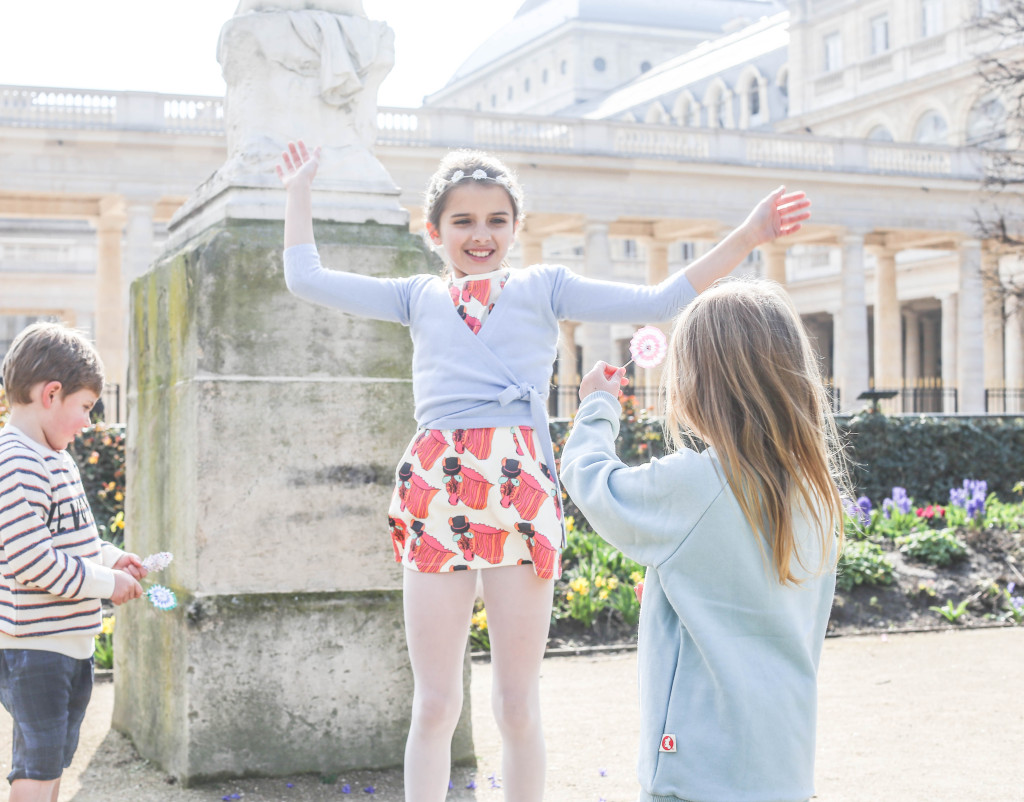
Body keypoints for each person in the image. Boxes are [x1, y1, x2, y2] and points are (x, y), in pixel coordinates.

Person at [276, 139, 811, 801]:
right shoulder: (417, 295)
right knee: (435, 704)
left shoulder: (544, 286)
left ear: (516, 227)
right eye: (464, 221)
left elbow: (660, 298)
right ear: (433, 229)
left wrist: (751, 233)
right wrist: (298, 190)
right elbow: (307, 279)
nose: (480, 234)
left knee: (516, 703)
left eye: (496, 220)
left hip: (519, 495)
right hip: (436, 497)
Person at [560, 279, 848, 802]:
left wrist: (596, 408)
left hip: (695, 764)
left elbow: (590, 481)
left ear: (696, 385)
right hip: (784, 763)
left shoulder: (694, 485)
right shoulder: (816, 492)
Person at [0, 322, 146, 802]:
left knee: (55, 758)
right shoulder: (16, 461)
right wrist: (106, 584)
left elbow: (73, 541)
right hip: (35, 645)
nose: (88, 422)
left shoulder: (55, 458)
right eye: (84, 408)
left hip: (67, 643)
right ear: (51, 394)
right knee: (38, 764)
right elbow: (32, 560)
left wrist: (113, 558)